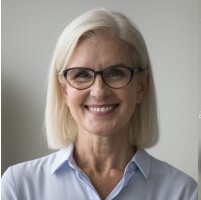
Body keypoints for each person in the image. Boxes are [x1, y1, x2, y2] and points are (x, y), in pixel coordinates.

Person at [1, 8, 197, 200]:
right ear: (64, 90)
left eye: (116, 73)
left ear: (141, 87)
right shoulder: (19, 186)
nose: (99, 91)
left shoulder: (183, 192)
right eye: (82, 75)